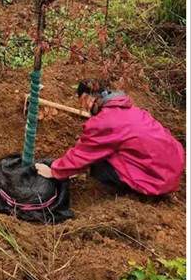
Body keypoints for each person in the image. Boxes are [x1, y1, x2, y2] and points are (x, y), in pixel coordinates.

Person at [35, 79, 185, 196]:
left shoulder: (104, 122)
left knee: (98, 165)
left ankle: (126, 193)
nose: (83, 108)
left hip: (156, 181)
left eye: (81, 102)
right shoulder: (134, 111)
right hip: (172, 170)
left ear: (87, 98)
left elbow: (83, 153)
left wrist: (55, 171)